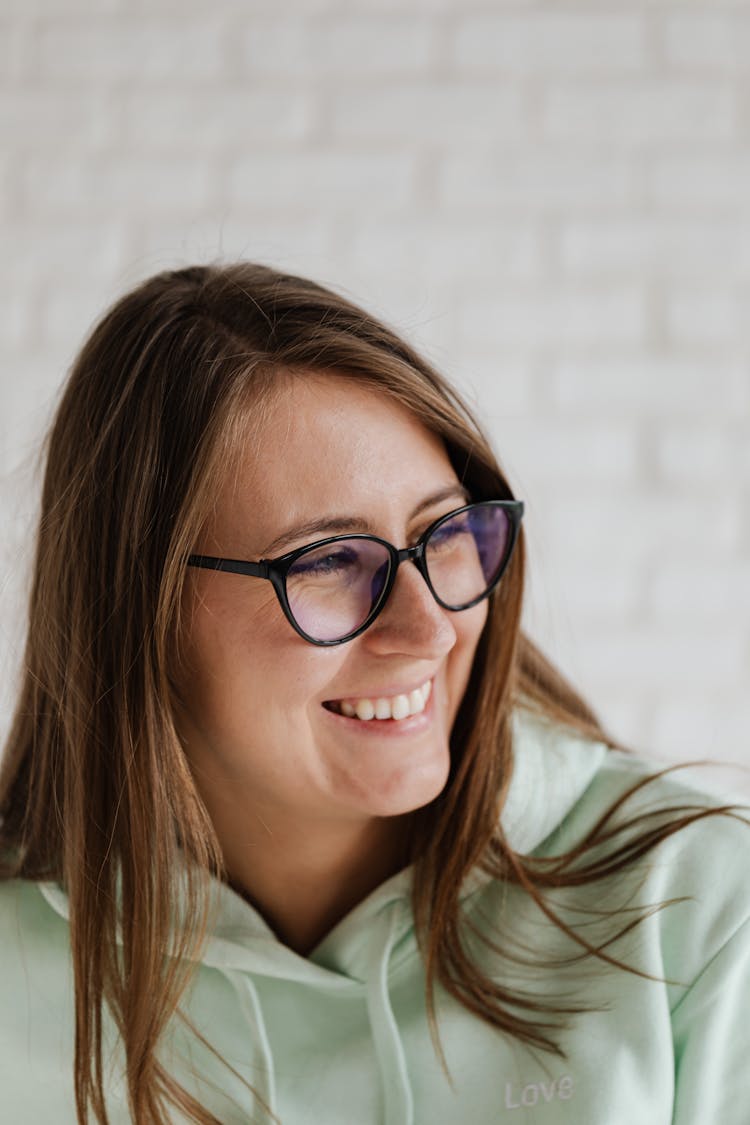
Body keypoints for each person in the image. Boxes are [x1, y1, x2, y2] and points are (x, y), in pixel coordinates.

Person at [0, 262, 748, 1125]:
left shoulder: (703, 912)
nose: (429, 628)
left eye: (445, 533)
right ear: (136, 609)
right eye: (324, 561)